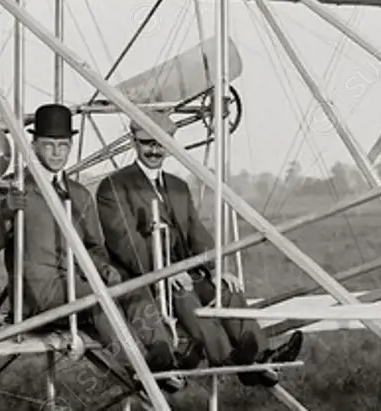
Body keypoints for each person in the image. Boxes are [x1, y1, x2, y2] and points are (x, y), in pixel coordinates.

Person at [0, 103, 183, 393]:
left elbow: (94, 248)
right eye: (49, 145)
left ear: (71, 145)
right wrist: (4, 215)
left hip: (76, 286)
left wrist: (104, 268)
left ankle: (163, 360)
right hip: (37, 296)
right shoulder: (10, 190)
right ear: (34, 145)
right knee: (98, 300)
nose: (57, 153)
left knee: (132, 288)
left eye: (63, 145)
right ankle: (142, 371)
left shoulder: (80, 196)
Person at [95, 109, 304, 387]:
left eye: (161, 143)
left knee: (227, 291)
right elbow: (125, 242)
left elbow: (195, 231)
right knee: (185, 294)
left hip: (184, 271)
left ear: (170, 143)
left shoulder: (178, 186)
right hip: (144, 277)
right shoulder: (114, 187)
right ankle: (228, 358)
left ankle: (259, 355)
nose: (154, 150)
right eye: (147, 143)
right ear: (134, 141)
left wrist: (215, 268)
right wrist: (165, 272)